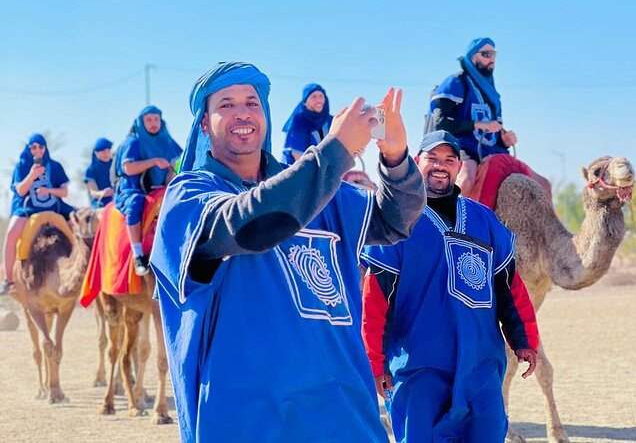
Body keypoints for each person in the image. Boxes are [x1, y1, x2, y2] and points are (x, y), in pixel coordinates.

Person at [150, 61, 426, 442]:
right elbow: (250, 223)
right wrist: (335, 152)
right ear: (203, 123)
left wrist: (395, 158)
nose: (242, 113)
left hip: (344, 418)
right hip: (249, 422)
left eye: (251, 102)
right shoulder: (189, 197)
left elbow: (396, 220)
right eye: (226, 104)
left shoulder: (321, 190)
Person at [361, 130, 539, 442]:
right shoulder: (396, 220)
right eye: (432, 158)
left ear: (458, 167)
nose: (440, 166)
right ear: (417, 163)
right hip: (418, 369)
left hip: (481, 367)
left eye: (449, 159)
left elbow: (509, 285)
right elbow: (376, 298)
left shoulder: (484, 220)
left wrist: (525, 339)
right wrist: (374, 361)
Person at [429, 38, 518, 196]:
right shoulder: (456, 82)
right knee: (466, 180)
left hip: (493, 151)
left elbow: (496, 133)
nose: (491, 59)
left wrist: (504, 140)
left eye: (494, 55)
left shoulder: (493, 95)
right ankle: (451, 219)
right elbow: (440, 123)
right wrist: (478, 124)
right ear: (473, 57)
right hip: (464, 148)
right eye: (486, 54)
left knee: (536, 182)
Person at [0, 133, 75, 294]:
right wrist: (32, 174)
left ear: (45, 148)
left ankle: (82, 269)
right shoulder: (22, 165)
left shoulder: (55, 166)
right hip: (27, 207)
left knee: (80, 224)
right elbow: (20, 190)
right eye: (33, 147)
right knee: (11, 234)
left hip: (53, 205)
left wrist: (49, 190)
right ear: (29, 149)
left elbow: (64, 192)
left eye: (41, 147)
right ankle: (8, 279)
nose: (38, 150)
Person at [113, 105, 182, 276]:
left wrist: (173, 168)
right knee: (135, 203)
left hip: (160, 188)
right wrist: (154, 161)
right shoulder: (133, 142)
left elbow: (179, 161)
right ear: (141, 122)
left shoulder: (167, 141)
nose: (153, 123)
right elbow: (128, 168)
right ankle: (138, 255)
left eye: (156, 119)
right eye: (149, 120)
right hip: (133, 189)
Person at [281, 83, 333, 164]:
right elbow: (297, 155)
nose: (318, 100)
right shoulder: (299, 121)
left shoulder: (331, 121)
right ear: (305, 102)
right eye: (314, 97)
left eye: (321, 96)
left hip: (327, 171)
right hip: (298, 171)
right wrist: (320, 172)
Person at [83, 137, 114, 208]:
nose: (106, 154)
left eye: (108, 151)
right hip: (100, 202)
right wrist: (103, 193)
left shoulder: (115, 166)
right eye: (103, 151)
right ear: (96, 153)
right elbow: (93, 192)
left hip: (117, 198)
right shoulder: (91, 170)